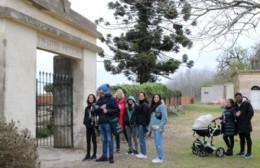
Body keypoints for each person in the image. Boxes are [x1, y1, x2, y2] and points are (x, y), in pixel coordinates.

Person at [94, 84, 119, 163]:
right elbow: (95, 110)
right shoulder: (100, 100)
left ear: (104, 90)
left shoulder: (112, 99)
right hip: (101, 123)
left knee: (109, 139)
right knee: (104, 140)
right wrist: (100, 108)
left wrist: (108, 111)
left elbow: (117, 109)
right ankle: (104, 156)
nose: (98, 91)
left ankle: (111, 156)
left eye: (100, 89)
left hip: (108, 123)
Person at [148, 94, 167, 164]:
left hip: (159, 127)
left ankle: (160, 158)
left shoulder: (162, 106)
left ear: (159, 98)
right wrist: (150, 127)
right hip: (155, 127)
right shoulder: (154, 106)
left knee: (159, 143)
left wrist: (161, 126)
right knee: (156, 143)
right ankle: (158, 156)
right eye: (154, 97)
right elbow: (153, 117)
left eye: (157, 97)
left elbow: (165, 117)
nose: (156, 98)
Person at [234, 92, 254, 158]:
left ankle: (249, 153)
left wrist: (246, 120)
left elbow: (251, 112)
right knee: (241, 138)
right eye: (237, 98)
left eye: (239, 97)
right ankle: (242, 152)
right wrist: (236, 116)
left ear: (242, 97)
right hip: (239, 125)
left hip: (246, 125)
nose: (238, 99)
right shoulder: (235, 105)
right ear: (235, 98)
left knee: (248, 138)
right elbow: (234, 113)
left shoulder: (246, 103)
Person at [82, 94, 98, 161]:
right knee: (88, 141)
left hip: (93, 126)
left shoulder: (95, 106)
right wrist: (85, 123)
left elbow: (96, 116)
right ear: (88, 99)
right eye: (89, 98)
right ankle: (88, 154)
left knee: (94, 141)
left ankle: (94, 155)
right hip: (88, 127)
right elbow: (85, 117)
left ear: (94, 99)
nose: (90, 99)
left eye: (91, 98)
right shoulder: (87, 108)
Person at [135, 92, 150, 159]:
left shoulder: (145, 104)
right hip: (139, 124)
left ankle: (144, 154)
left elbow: (147, 116)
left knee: (142, 139)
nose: (140, 97)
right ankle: (142, 153)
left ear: (144, 96)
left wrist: (145, 125)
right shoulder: (140, 104)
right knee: (140, 139)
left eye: (142, 95)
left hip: (142, 125)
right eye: (139, 95)